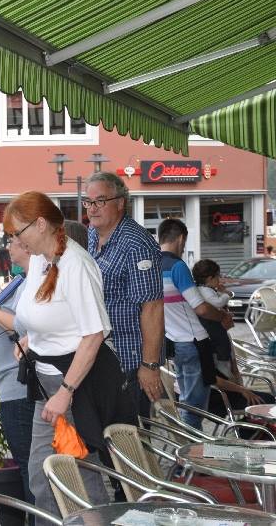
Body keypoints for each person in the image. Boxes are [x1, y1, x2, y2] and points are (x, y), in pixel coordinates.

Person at [6, 191, 134, 519]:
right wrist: (32, 340)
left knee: (80, 475)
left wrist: (66, 391)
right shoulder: (40, 259)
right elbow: (47, 314)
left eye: (18, 232)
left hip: (77, 383)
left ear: (41, 224)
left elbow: (93, 334)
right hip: (47, 382)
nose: (16, 241)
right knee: (42, 473)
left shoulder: (76, 264)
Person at [85, 172, 165, 419]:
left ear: (120, 202)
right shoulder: (92, 234)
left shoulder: (137, 244)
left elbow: (153, 308)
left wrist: (149, 365)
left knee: (131, 435)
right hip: (102, 358)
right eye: (88, 202)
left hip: (130, 364)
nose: (92, 209)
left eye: (100, 201)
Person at [158, 218, 233, 429]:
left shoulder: (152, 265)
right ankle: (189, 448)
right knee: (195, 407)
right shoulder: (177, 266)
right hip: (194, 343)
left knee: (186, 400)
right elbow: (200, 308)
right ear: (181, 238)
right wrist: (222, 317)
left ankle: (188, 445)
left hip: (175, 343)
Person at [0, 236, 35, 505]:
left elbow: (23, 326)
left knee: (29, 466)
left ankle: (39, 519)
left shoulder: (30, 284)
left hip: (19, 385)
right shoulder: (22, 282)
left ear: (27, 246)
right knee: (30, 465)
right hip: (11, 385)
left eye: (12, 241)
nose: (7, 247)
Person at [191, 259, 274, 418]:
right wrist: (242, 389)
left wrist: (240, 384)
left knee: (268, 400)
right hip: (219, 398)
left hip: (230, 392)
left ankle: (248, 429)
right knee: (268, 401)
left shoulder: (223, 338)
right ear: (217, 318)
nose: (231, 315)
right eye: (226, 312)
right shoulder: (211, 342)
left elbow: (233, 369)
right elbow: (212, 379)